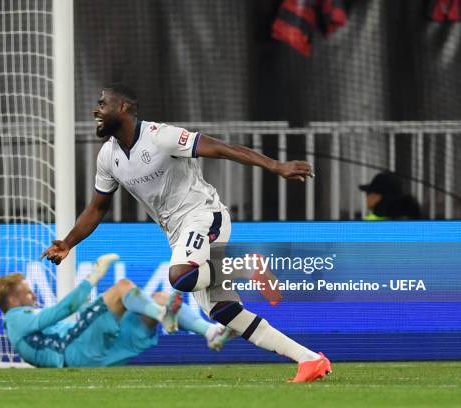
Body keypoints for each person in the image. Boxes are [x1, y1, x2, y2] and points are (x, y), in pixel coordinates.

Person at [41, 84, 331, 382]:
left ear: (123, 107)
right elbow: (97, 207)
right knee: (223, 312)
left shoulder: (160, 136)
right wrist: (67, 242)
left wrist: (275, 166)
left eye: (103, 103)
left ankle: (246, 265)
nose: (96, 110)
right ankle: (308, 359)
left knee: (180, 275)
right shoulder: (107, 157)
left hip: (203, 215)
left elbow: (221, 148)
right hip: (177, 233)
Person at [0, 254, 232, 368]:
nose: (33, 295)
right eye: (27, 291)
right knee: (121, 288)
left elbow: (60, 324)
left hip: (93, 355)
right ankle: (163, 315)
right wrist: (93, 277)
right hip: (74, 353)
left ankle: (211, 333)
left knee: (159, 298)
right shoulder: (15, 319)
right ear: (13, 299)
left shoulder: (25, 324)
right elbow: (63, 309)